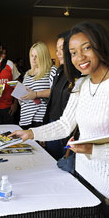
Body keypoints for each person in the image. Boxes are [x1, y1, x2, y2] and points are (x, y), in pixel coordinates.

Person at [9, 22, 109, 218]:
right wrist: (31, 133)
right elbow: (65, 124)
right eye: (73, 52)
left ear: (100, 45)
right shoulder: (81, 85)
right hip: (82, 175)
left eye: (86, 48)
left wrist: (95, 150)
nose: (79, 57)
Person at [43, 31, 81, 160]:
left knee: (65, 163)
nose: (58, 52)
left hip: (68, 128)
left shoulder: (79, 75)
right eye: (56, 49)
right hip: (53, 124)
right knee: (51, 161)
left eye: (62, 48)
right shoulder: (59, 71)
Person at [19, 42, 57, 129]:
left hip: (40, 119)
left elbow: (56, 91)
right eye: (32, 56)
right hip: (25, 118)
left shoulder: (52, 70)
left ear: (43, 56)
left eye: (37, 56)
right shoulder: (27, 73)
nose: (34, 59)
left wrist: (36, 94)